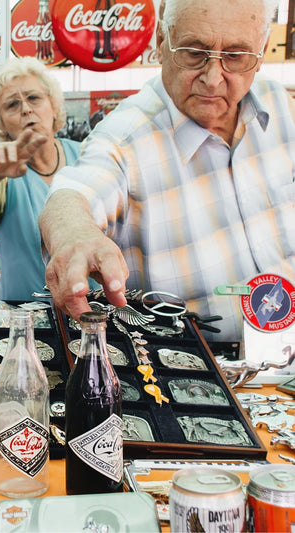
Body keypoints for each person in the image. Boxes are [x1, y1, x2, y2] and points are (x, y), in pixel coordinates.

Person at [39, 0, 294, 342]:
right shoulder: (125, 137)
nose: (213, 77)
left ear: (260, 55)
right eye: (193, 52)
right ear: (162, 40)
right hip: (191, 375)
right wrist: (73, 234)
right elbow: (75, 192)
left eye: (236, 56)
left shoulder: (279, 105)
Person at [0, 56, 97, 300]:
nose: (25, 108)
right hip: (24, 322)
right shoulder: (1, 168)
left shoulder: (89, 157)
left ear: (54, 106)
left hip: (95, 316)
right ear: (2, 124)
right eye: (12, 105)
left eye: (34, 98)